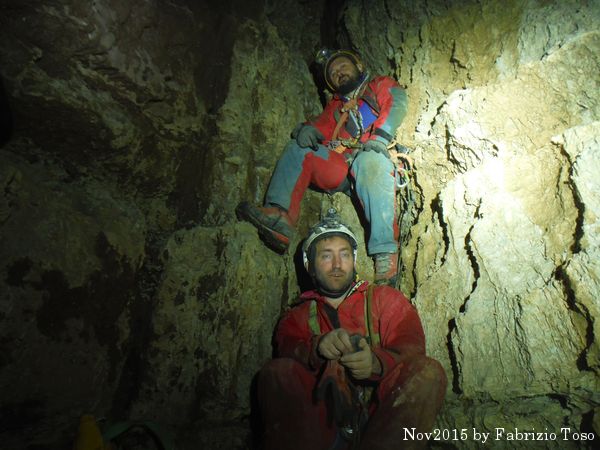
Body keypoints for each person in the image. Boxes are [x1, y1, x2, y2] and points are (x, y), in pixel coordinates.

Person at [257, 209, 447, 450]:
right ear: (309, 265)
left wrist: (376, 363)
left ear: (354, 260)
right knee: (277, 372)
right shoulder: (298, 317)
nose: (337, 264)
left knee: (428, 371)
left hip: (382, 418)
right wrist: (318, 347)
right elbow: (289, 350)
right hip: (321, 424)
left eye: (344, 254)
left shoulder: (385, 300)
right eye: (326, 256)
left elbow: (411, 349)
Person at [237, 48, 409, 286]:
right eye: (333, 73)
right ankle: (280, 218)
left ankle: (385, 254)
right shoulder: (336, 108)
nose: (339, 73)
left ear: (358, 66)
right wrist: (305, 130)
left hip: (372, 161)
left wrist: (380, 138)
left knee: (369, 161)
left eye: (343, 66)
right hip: (343, 169)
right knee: (299, 148)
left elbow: (396, 101)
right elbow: (321, 128)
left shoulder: (378, 84)